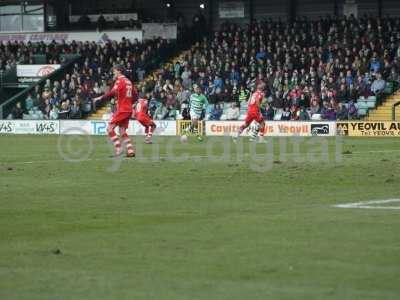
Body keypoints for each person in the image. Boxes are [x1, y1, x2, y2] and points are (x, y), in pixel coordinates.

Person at [93, 65, 138, 157]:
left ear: (119, 71)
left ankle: (119, 148)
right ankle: (130, 151)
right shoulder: (129, 81)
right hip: (128, 109)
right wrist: (129, 102)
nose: (113, 73)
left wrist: (100, 98)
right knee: (122, 131)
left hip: (122, 109)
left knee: (109, 128)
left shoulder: (120, 81)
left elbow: (112, 92)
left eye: (114, 71)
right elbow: (136, 95)